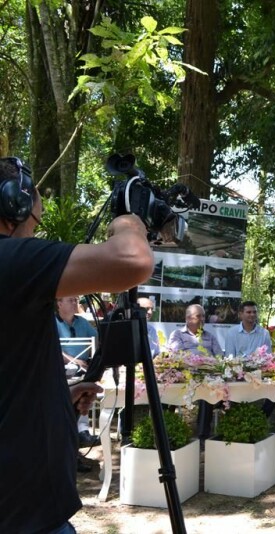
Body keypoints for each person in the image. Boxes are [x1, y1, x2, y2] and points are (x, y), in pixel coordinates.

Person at [0, 156, 154, 533]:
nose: (34, 233)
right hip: (25, 514)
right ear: (13, 206)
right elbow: (132, 260)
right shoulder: (9, 259)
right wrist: (129, 220)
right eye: (35, 221)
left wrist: (57, 396)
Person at [167, 304, 223, 440]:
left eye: (203, 316)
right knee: (166, 395)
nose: (203, 319)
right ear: (188, 318)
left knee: (207, 394)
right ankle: (168, 431)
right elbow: (177, 356)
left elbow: (219, 357)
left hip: (206, 376)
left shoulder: (210, 336)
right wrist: (203, 361)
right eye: (199, 316)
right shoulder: (177, 334)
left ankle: (203, 436)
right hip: (184, 377)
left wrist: (210, 365)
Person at [56, 295, 100, 448]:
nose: (75, 303)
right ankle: (77, 434)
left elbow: (97, 338)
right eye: (71, 300)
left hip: (82, 369)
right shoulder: (51, 323)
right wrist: (74, 361)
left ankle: (83, 432)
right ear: (59, 303)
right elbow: (53, 349)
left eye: (76, 300)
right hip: (60, 370)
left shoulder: (81, 322)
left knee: (86, 384)